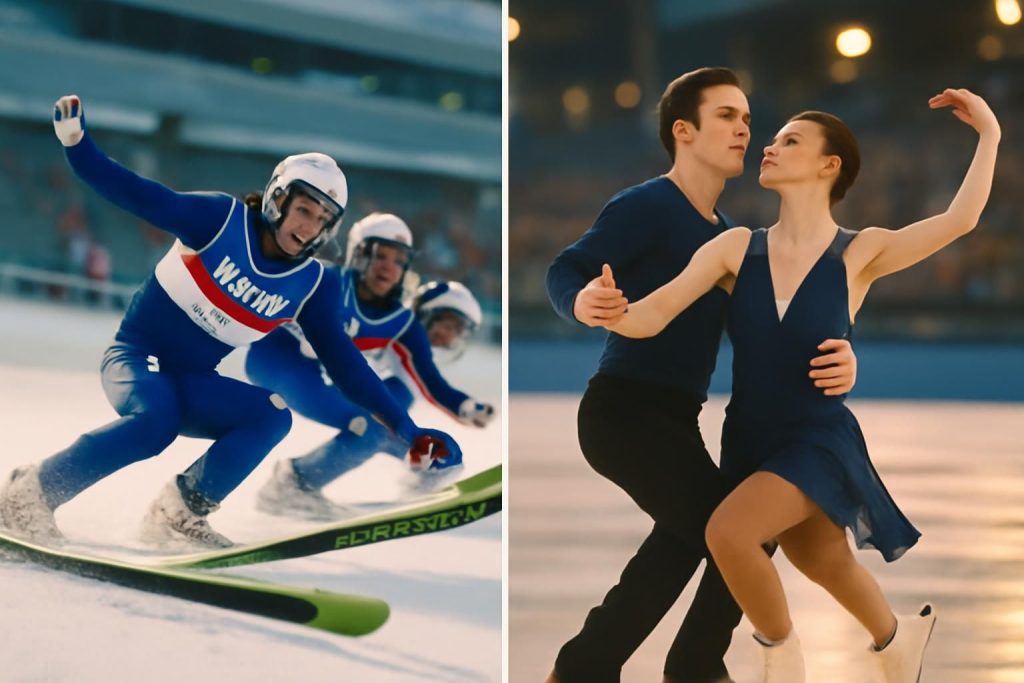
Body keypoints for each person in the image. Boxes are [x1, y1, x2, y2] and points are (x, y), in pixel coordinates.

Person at [604, 88, 999, 681]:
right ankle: (898, 640)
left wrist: (989, 134)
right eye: (773, 138)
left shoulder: (860, 251)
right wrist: (605, 308)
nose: (769, 145)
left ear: (827, 165)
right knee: (823, 560)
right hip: (750, 441)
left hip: (815, 438)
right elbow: (653, 314)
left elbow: (961, 220)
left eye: (790, 140)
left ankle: (782, 665)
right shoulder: (736, 248)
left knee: (728, 534)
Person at [0, 95, 461, 549]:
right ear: (278, 199)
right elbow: (135, 193)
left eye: (322, 220)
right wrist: (78, 145)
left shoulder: (312, 283)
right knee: (154, 424)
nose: (309, 227)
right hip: (138, 357)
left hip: (197, 379)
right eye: (304, 210)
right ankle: (29, 494)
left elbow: (347, 366)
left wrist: (407, 429)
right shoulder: (219, 219)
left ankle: (179, 514)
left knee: (271, 415)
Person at [544, 67, 858, 683]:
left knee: (711, 535)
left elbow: (788, 327)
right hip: (624, 413)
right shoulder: (647, 204)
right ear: (683, 131)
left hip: (678, 421)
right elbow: (568, 265)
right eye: (726, 116)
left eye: (746, 117)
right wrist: (579, 301)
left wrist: (848, 355)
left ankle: (595, 668)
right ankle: (686, 666)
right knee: (727, 532)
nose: (744, 127)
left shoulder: (730, 238)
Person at [245, 213, 493, 519]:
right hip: (279, 363)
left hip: (326, 377)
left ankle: (418, 480)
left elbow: (429, 378)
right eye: (380, 255)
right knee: (372, 428)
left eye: (400, 260)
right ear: (358, 254)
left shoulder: (401, 322)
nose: (389, 266)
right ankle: (293, 485)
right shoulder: (327, 280)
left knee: (391, 432)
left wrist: (462, 407)